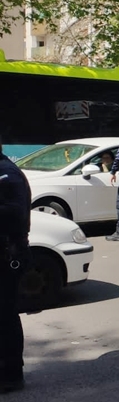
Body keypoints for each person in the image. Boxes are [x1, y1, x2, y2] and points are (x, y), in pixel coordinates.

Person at [0, 135, 31, 393]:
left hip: (8, 253)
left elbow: (14, 212)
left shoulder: (7, 173)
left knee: (6, 315)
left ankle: (11, 374)